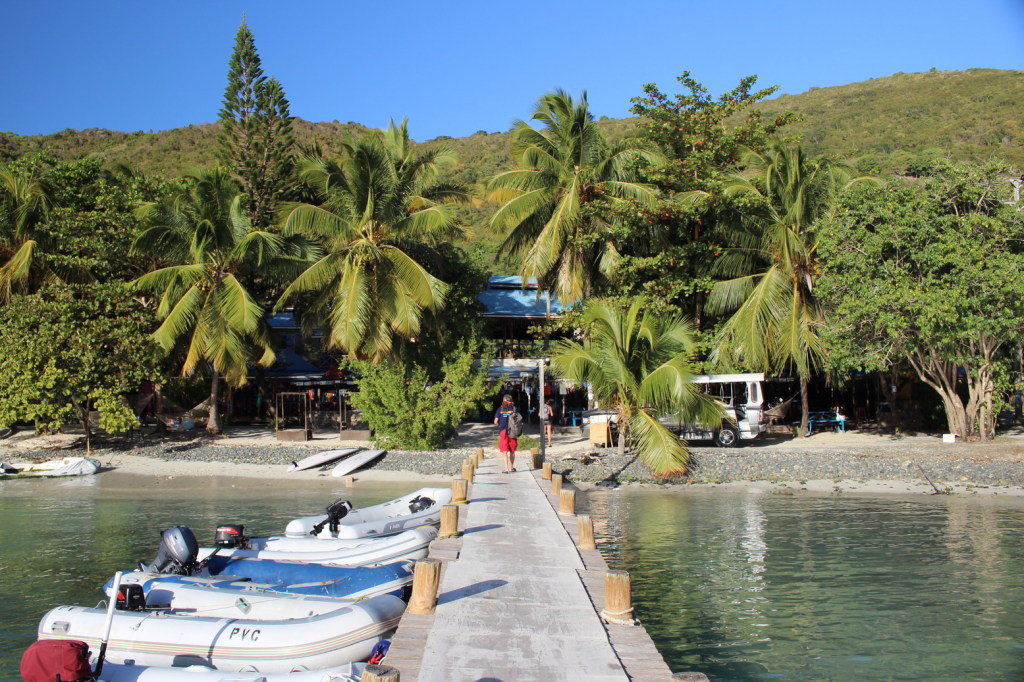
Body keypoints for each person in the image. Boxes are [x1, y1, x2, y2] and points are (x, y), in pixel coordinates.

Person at [494, 394, 519, 473]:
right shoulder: (514, 409)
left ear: (503, 400)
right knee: (512, 450)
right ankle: (511, 467)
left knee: (505, 450)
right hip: (512, 431)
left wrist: (500, 426)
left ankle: (506, 468)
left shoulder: (500, 409)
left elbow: (495, 421)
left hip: (503, 431)